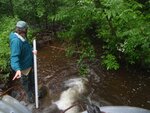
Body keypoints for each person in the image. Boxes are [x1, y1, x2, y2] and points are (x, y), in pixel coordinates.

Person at [9, 20, 36, 103]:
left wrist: (32, 51)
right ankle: (30, 96)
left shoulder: (22, 37)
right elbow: (14, 57)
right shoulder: (16, 41)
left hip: (29, 65)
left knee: (32, 80)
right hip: (23, 68)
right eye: (26, 29)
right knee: (26, 83)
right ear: (24, 29)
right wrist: (17, 69)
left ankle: (34, 92)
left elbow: (26, 48)